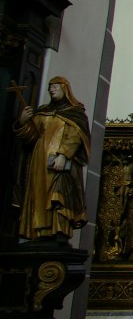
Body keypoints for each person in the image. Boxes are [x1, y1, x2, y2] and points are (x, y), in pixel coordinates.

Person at [13, 76, 90, 242]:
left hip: (59, 160)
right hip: (39, 159)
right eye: (50, 87)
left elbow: (75, 136)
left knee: (58, 194)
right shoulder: (43, 111)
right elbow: (31, 136)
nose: (52, 90)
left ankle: (59, 230)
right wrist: (23, 122)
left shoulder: (75, 112)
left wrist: (64, 154)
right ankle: (37, 231)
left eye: (56, 86)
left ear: (65, 89)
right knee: (37, 191)